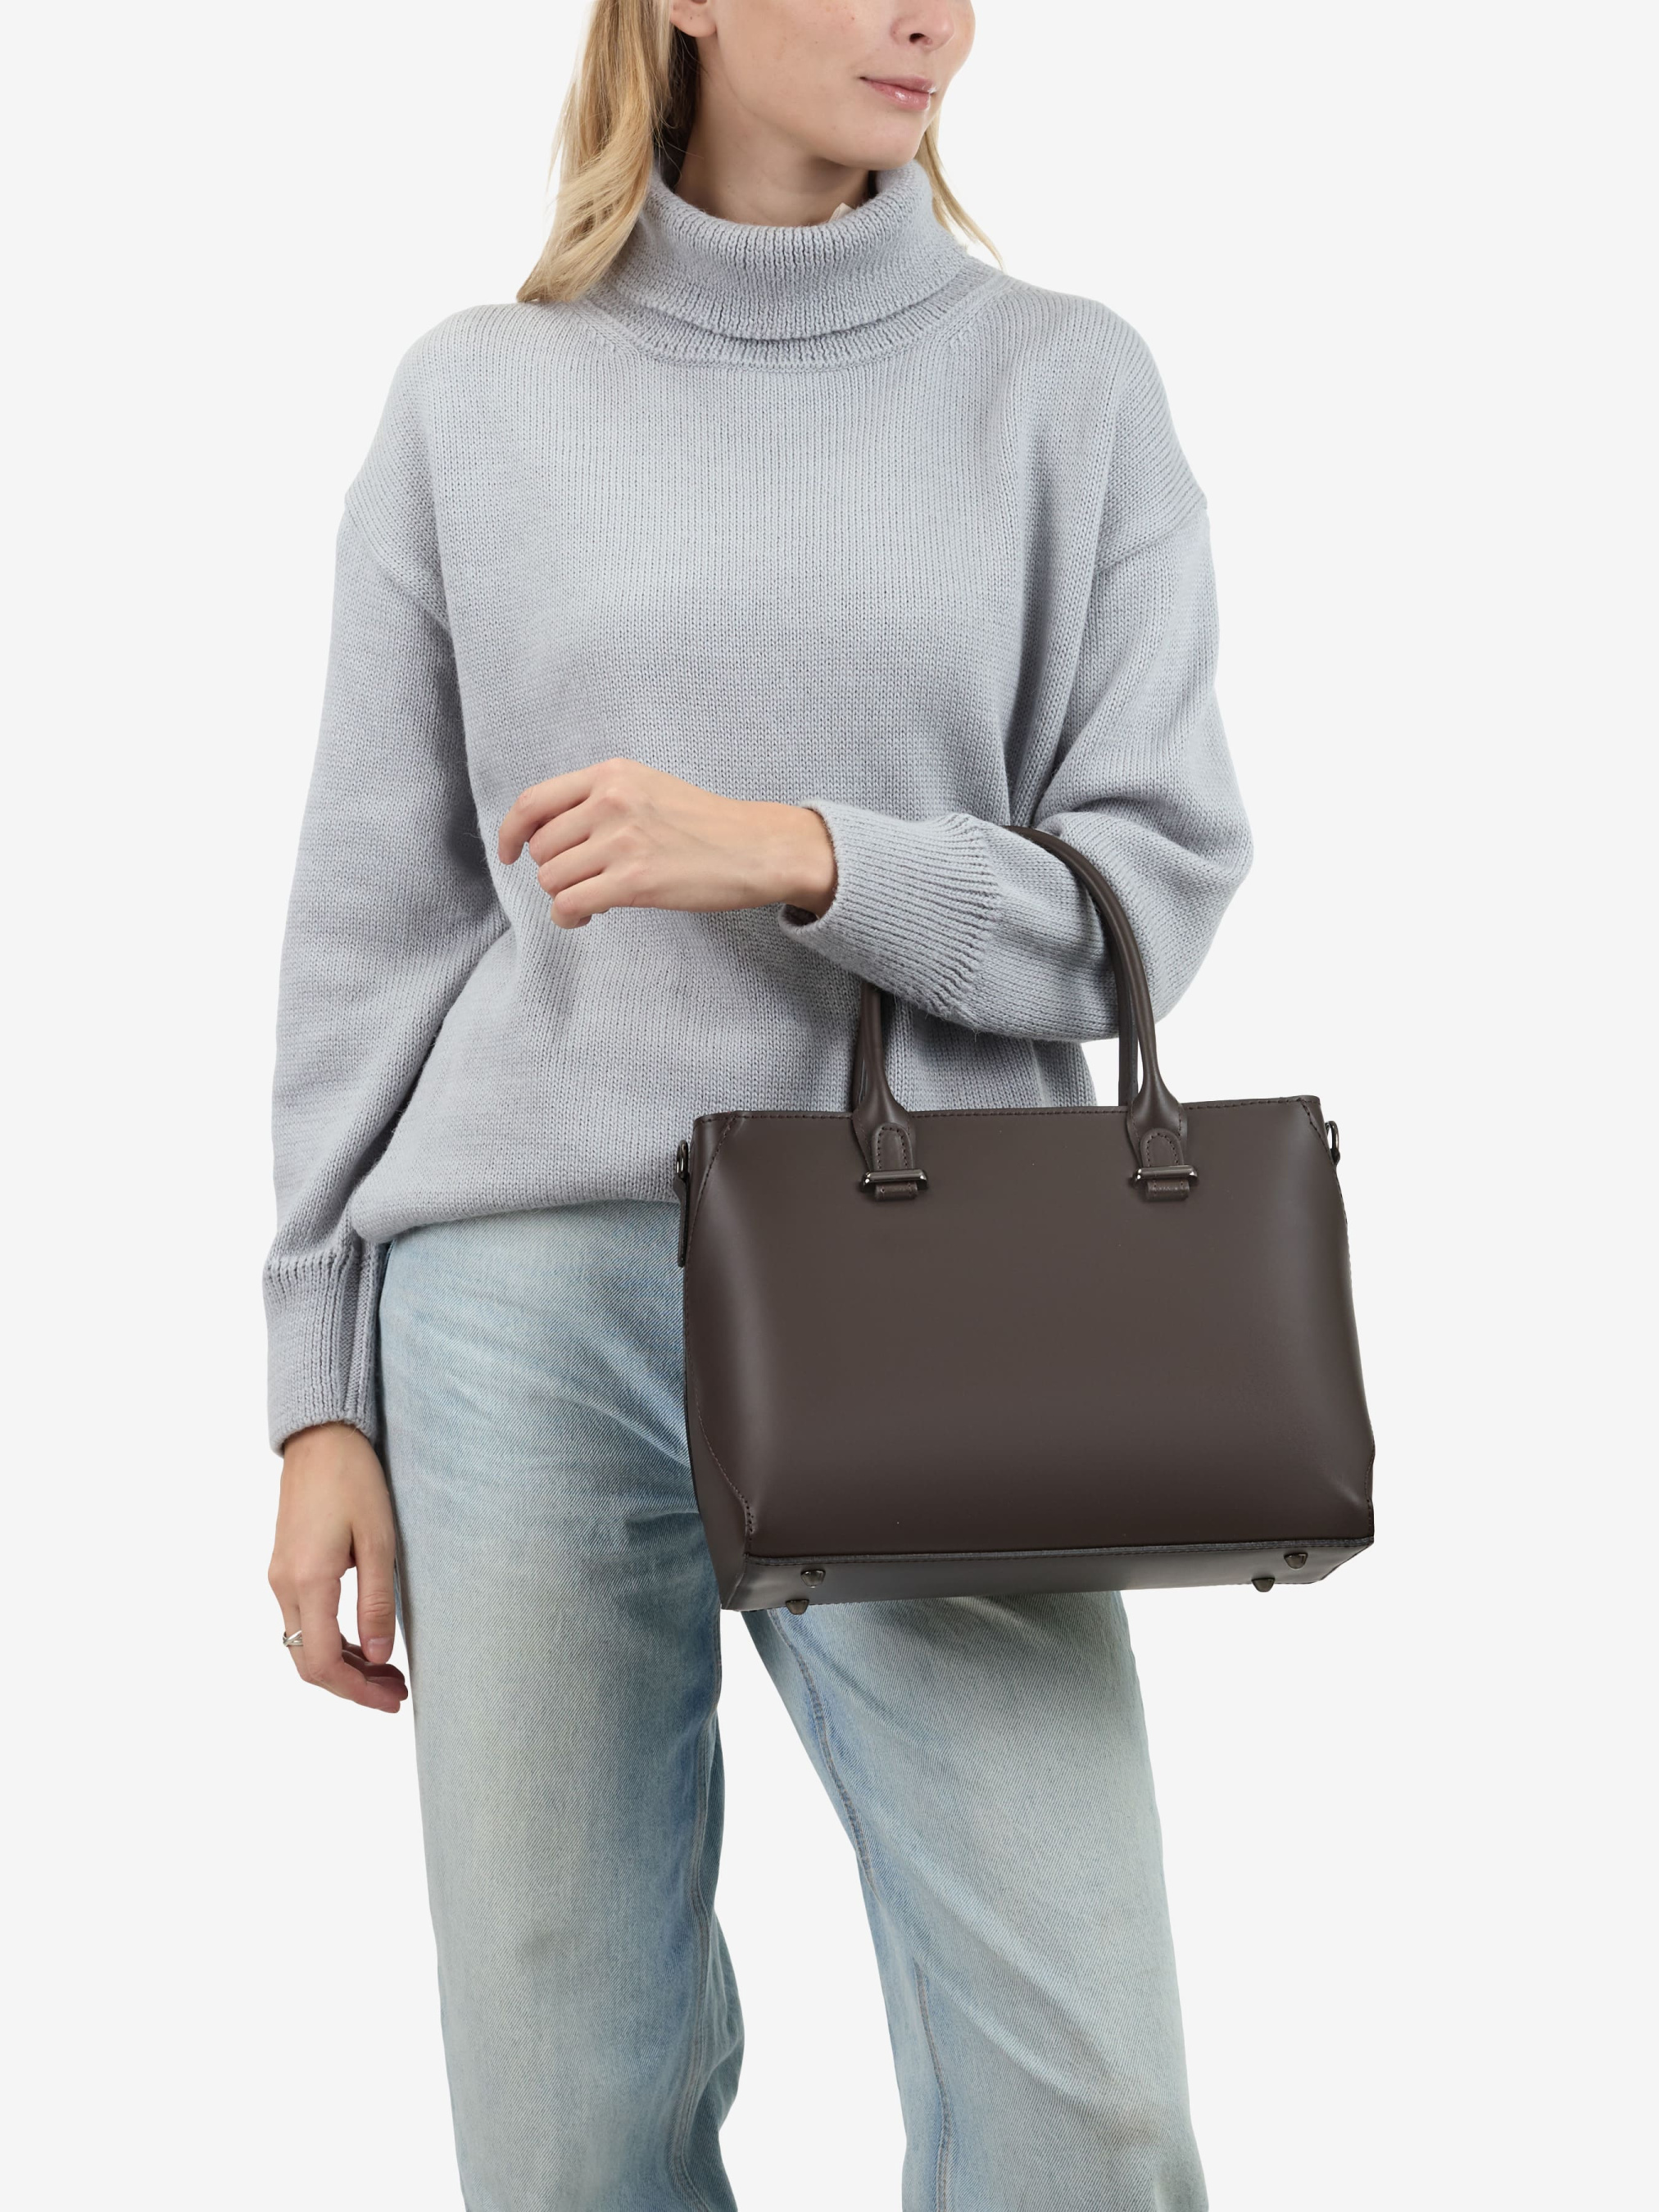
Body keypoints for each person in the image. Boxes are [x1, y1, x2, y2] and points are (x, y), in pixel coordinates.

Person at [265, 2, 1253, 2205]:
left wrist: (800, 852)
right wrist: (317, 1390)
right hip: (519, 1293)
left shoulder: (1061, 389)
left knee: (1087, 2105)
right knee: (568, 2116)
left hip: (936, 1289)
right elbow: (369, 927)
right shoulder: (476, 402)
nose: (932, 18)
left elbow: (1148, 899)